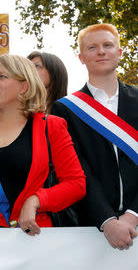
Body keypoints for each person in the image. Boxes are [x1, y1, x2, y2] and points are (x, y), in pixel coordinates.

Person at [0, 54, 86, 237]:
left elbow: (76, 184)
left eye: (2, 77)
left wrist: (37, 200)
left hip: (33, 240)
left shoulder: (52, 126)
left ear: (24, 86)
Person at [52, 23, 138, 250]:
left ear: (119, 53)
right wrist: (107, 220)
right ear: (81, 57)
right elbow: (77, 168)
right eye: (92, 47)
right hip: (92, 227)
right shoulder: (66, 108)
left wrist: (133, 215)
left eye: (108, 45)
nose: (101, 51)